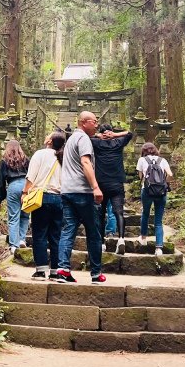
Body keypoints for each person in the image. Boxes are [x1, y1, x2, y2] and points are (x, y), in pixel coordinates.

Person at [54, 111, 106, 284]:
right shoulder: (83, 139)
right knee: (93, 232)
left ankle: (63, 270)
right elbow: (85, 162)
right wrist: (96, 187)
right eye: (94, 121)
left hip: (67, 191)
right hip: (82, 191)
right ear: (84, 122)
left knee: (68, 230)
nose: (97, 124)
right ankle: (96, 273)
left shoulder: (70, 141)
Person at [23, 132, 65, 280]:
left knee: (40, 234)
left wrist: (25, 192)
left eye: (47, 136)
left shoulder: (40, 154)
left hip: (42, 198)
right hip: (59, 199)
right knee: (56, 236)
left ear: (50, 141)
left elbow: (31, 176)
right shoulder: (64, 157)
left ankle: (41, 270)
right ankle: (55, 271)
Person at [93, 124, 133, 255]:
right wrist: (115, 135)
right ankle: (121, 239)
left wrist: (98, 136)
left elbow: (82, 137)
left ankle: (102, 243)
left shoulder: (97, 143)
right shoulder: (118, 142)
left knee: (100, 214)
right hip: (117, 183)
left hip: (101, 183)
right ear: (111, 132)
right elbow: (130, 133)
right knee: (118, 212)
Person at [136, 142, 173, 256]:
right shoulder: (162, 160)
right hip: (161, 192)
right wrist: (164, 184)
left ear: (144, 151)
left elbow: (140, 177)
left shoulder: (142, 160)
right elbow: (170, 174)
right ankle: (159, 248)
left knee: (145, 214)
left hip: (147, 191)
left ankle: (143, 238)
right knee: (158, 221)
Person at [0, 139, 30, 253]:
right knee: (25, 215)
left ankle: (14, 245)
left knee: (14, 216)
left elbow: (0, 182)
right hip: (26, 187)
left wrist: (0, 197)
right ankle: (22, 239)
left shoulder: (4, 161)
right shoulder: (26, 160)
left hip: (13, 186)